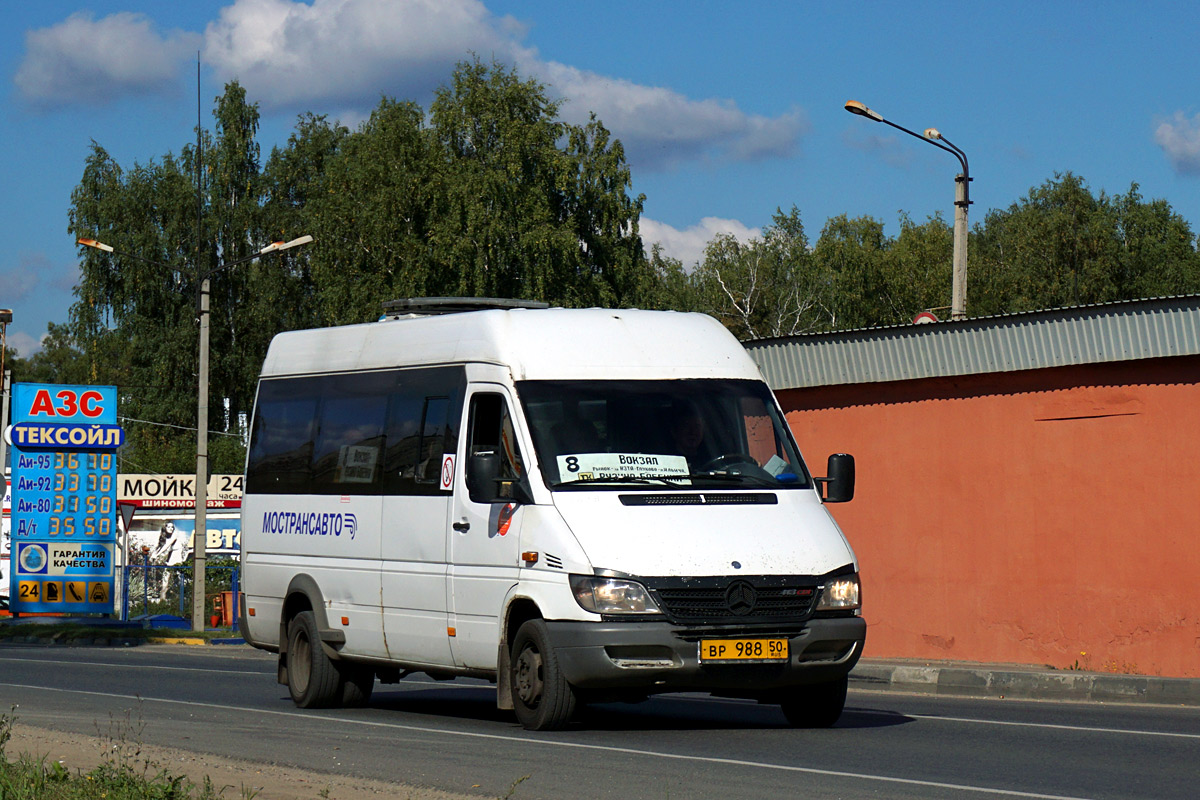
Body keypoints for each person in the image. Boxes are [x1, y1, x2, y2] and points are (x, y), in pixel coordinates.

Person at [152, 521, 189, 602]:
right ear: (165, 528)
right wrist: (153, 553)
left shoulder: (175, 535)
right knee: (165, 582)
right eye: (168, 527)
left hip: (177, 560)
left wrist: (157, 554)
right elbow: (159, 546)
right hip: (170, 560)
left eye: (172, 527)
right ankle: (162, 602)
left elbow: (167, 545)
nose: (171, 529)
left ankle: (180, 601)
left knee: (180, 581)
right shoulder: (164, 537)